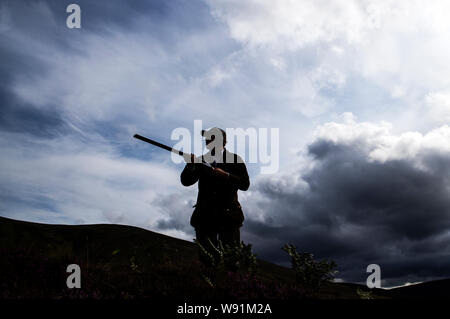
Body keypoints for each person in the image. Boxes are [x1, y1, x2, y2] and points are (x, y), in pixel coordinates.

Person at [180, 127, 250, 253]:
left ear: (222, 141)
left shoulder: (235, 159)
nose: (207, 141)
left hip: (229, 217)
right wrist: (190, 166)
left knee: (231, 260)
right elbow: (186, 181)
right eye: (206, 139)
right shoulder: (201, 160)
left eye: (211, 138)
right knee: (206, 259)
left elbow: (245, 184)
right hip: (205, 217)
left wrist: (227, 176)